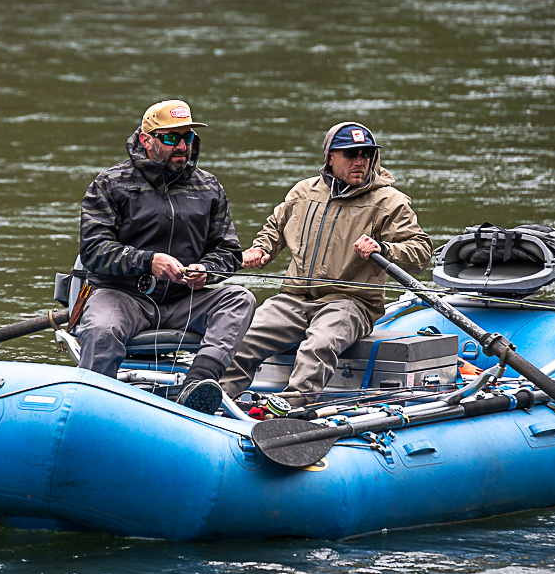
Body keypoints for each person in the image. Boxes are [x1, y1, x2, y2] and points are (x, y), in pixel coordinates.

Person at [219, 121, 432, 405]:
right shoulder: (304, 192)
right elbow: (276, 226)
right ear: (330, 158)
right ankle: (216, 402)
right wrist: (261, 248)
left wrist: (384, 248)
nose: (361, 161)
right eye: (351, 154)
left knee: (317, 346)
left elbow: (421, 252)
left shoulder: (390, 202)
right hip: (292, 300)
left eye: (366, 154)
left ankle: (288, 409)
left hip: (350, 304)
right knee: (241, 339)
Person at [75, 99, 256, 415]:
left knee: (240, 299)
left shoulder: (209, 187)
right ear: (147, 141)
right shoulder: (109, 184)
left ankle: (198, 385)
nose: (182, 145)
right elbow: (94, 251)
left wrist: (206, 271)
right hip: (124, 296)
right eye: (171, 138)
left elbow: (228, 252)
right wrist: (148, 260)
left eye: (187, 137)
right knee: (101, 328)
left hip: (184, 300)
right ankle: (93, 409)